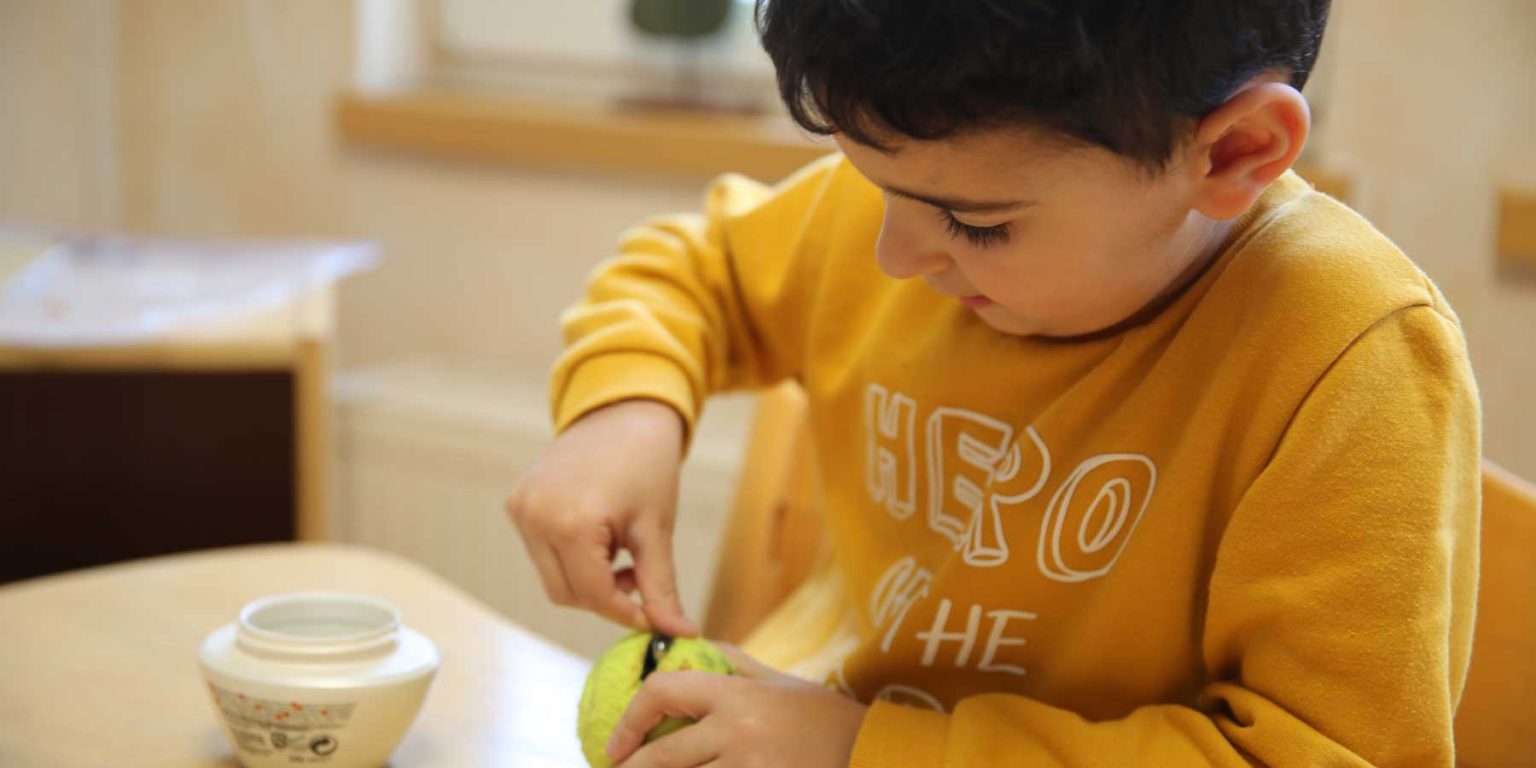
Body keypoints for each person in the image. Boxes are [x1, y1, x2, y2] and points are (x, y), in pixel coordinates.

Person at [508, 1, 1481, 765]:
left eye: (978, 225)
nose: (893, 255)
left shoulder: (1350, 358)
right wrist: (621, 410)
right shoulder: (928, 204)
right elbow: (698, 270)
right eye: (875, 188)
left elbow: (1322, 756)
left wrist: (861, 750)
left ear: (1232, 152)